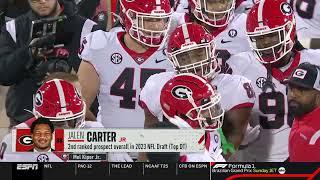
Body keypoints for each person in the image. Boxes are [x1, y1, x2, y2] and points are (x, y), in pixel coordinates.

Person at [140, 23, 255, 160]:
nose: (194, 63)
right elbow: (149, 141)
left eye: (198, 53)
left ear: (211, 50)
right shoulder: (157, 84)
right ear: (173, 60)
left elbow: (228, 148)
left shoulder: (235, 86)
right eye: (184, 57)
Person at [77, 0, 174, 161]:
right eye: (148, 19)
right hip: (112, 149)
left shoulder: (175, 50)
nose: (157, 27)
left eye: (161, 19)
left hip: (162, 152)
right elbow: (79, 107)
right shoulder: (101, 46)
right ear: (128, 18)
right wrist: (105, 143)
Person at [227, 0, 320, 162]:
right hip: (262, 165)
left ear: (289, 30)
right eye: (260, 38)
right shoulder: (239, 66)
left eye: (271, 36)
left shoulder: (316, 61)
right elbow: (214, 130)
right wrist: (232, 136)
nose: (266, 44)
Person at [0, 0, 99, 127]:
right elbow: (4, 75)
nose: (42, 1)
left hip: (76, 121)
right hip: (26, 120)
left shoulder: (87, 28)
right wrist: (28, 53)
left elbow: (103, 77)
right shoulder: (13, 28)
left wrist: (68, 71)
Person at [0, 78, 104, 162]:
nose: (66, 129)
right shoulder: (16, 141)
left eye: (72, 121)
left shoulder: (95, 132)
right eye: (58, 123)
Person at [170, 0, 252, 73]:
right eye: (212, 2)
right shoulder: (172, 24)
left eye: (223, 2)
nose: (219, 7)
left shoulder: (245, 24)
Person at [160, 73, 225, 162]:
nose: (213, 112)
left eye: (212, 106)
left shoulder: (210, 134)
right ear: (183, 115)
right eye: (206, 108)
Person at [284, 63, 320, 162]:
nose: (293, 94)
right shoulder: (303, 113)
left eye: (301, 89)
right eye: (291, 88)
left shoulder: (314, 136)